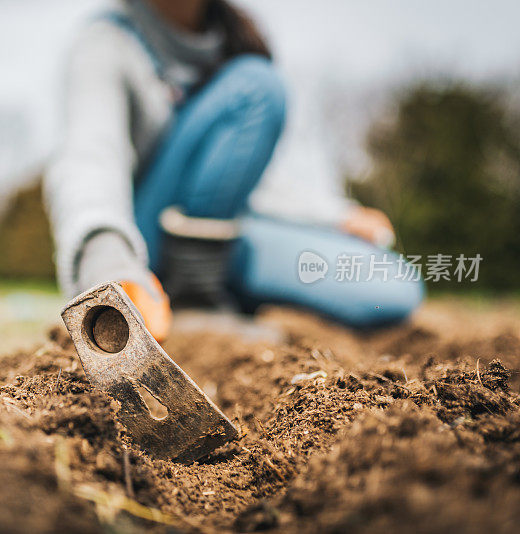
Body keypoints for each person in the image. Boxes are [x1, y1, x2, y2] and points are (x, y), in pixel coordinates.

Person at [45, 0, 423, 341]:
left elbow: (251, 183)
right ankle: (193, 304)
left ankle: (221, 296)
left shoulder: (233, 41)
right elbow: (90, 158)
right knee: (257, 87)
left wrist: (336, 216)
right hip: (146, 246)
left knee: (391, 285)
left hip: (227, 238)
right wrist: (108, 262)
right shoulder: (106, 43)